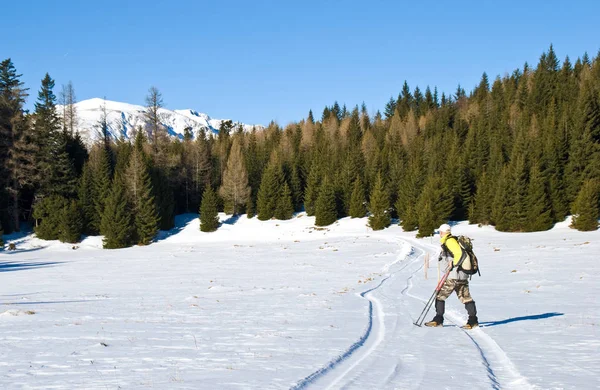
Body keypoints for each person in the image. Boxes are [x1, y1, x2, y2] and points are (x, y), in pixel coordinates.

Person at [425, 223, 479, 329]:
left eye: (440, 232)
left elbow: (459, 253)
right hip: (462, 275)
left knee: (440, 296)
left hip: (453, 275)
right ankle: (473, 321)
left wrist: (453, 264)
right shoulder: (452, 240)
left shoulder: (449, 241)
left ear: (442, 232)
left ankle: (438, 320)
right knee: (465, 298)